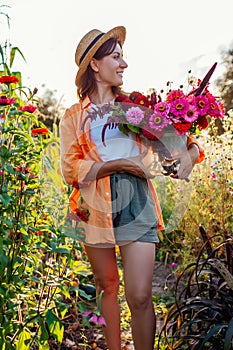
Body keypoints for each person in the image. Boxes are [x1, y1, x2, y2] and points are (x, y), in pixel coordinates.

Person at [59, 26, 204, 350]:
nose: (124, 64)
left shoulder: (134, 108)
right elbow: (70, 170)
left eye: (123, 56)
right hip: (92, 206)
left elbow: (181, 140)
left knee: (139, 295)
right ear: (95, 65)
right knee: (106, 285)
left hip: (136, 200)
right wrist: (119, 165)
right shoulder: (72, 117)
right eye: (116, 56)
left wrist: (190, 157)